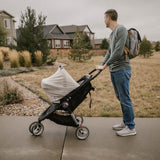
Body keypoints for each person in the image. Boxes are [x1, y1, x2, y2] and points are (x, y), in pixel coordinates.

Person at [96, 9, 136, 136]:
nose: (104, 20)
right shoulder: (112, 34)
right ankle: (125, 122)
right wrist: (102, 65)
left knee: (125, 98)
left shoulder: (121, 30)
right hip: (114, 70)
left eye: (104, 18)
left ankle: (131, 127)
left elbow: (118, 52)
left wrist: (105, 66)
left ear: (109, 18)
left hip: (122, 69)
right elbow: (109, 52)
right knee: (120, 97)